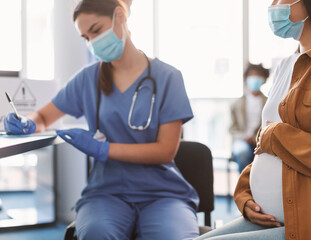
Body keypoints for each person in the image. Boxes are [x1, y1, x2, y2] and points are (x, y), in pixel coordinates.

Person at [4, 0, 200, 239]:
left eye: (96, 30)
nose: (93, 43)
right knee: (97, 234)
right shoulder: (88, 78)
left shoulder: (168, 77)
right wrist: (28, 122)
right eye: (86, 37)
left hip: (162, 194)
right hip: (106, 193)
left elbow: (166, 151)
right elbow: (45, 116)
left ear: (120, 16)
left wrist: (103, 149)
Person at [195, 0, 311, 239]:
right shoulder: (286, 65)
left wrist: (277, 135)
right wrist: (245, 194)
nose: (273, 4)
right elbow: (268, 150)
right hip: (274, 217)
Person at [229, 63, 269, 173]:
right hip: (241, 141)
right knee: (242, 152)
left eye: (258, 75)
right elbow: (232, 129)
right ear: (246, 79)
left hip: (262, 141)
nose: (254, 78)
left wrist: (257, 139)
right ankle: (244, 186)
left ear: (264, 79)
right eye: (252, 75)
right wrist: (244, 137)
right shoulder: (236, 104)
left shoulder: (269, 102)